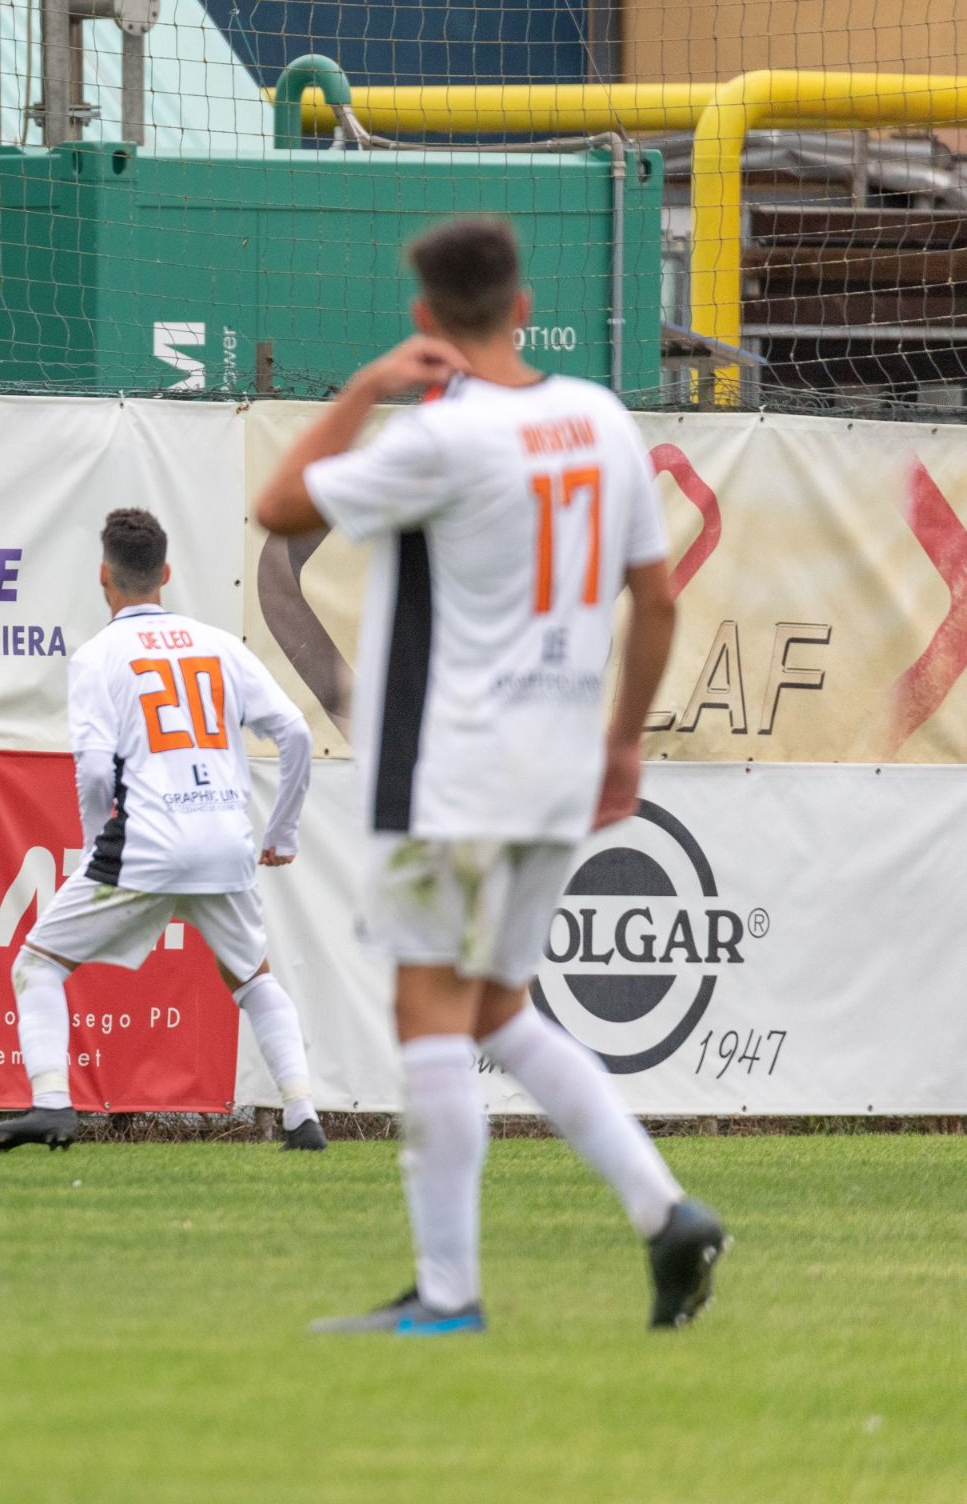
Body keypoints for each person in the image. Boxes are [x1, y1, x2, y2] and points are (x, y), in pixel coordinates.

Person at [254, 216, 727, 1334]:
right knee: (499, 1006)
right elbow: (654, 598)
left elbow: (277, 508)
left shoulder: (438, 438)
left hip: (451, 766)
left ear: (425, 317)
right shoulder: (600, 419)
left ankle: (446, 1293)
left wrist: (369, 385)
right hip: (555, 762)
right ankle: (665, 1213)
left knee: (426, 1008)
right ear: (522, 307)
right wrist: (622, 742)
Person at [0, 508, 326, 1154]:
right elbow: (296, 733)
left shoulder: (98, 656)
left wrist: (89, 849)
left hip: (147, 845)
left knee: (37, 964)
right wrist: (283, 834)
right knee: (253, 980)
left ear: (104, 575)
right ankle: (303, 1116)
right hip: (224, 841)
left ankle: (52, 1105)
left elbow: (94, 769)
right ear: (166, 573)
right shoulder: (219, 644)